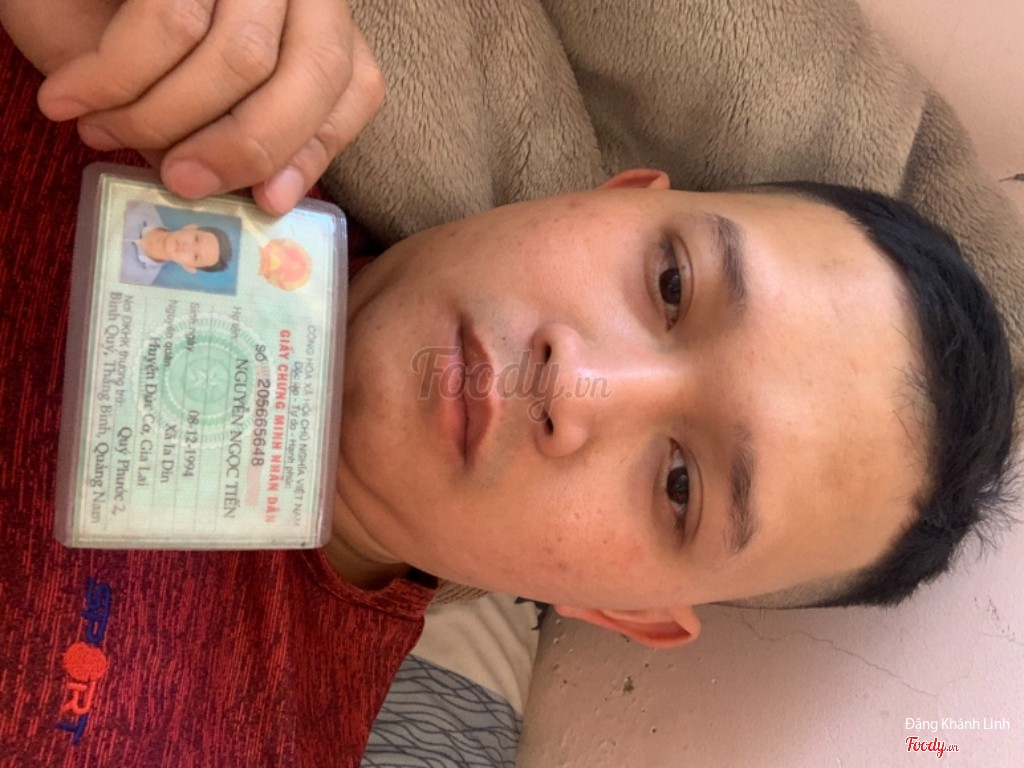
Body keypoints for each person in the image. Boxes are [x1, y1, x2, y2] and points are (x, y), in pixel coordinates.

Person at [0, 2, 1018, 767]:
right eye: (671, 284)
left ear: (620, 612)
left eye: (680, 488)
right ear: (616, 194)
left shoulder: (242, 735)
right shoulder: (220, 40)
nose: (580, 383)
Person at [120, 200, 232, 285]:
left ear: (189, 267)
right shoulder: (140, 204)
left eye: (196, 256)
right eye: (196, 239)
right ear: (190, 227)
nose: (187, 247)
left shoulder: (139, 281)